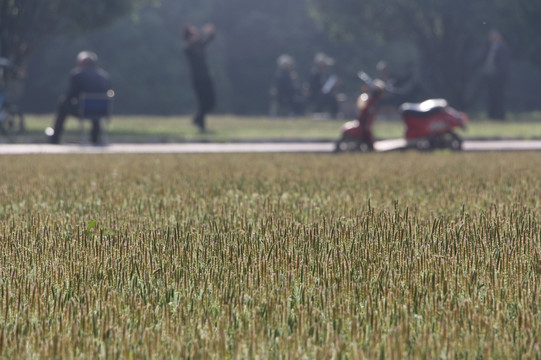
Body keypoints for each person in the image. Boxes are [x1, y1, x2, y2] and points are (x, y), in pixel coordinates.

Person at [48, 51, 111, 144]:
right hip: (101, 110)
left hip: (84, 110)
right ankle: (95, 137)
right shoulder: (104, 76)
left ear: (81, 63)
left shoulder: (77, 75)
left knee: (63, 104)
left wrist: (68, 101)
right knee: (94, 107)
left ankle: (55, 136)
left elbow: (71, 95)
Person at [183, 23, 216, 132]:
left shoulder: (199, 45)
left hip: (206, 77)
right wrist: (197, 40)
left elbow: (208, 39)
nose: (196, 35)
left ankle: (197, 119)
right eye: (193, 34)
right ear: (188, 37)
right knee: (203, 103)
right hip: (198, 80)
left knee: (211, 103)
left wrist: (210, 33)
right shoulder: (188, 50)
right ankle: (201, 126)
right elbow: (196, 48)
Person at [482, 29, 510, 120]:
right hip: (490, 76)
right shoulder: (488, 46)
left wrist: (499, 73)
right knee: (491, 96)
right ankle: (492, 115)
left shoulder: (503, 47)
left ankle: (500, 115)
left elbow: (504, 64)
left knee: (499, 97)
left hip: (499, 77)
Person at [357, 79, 386, 151]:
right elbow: (368, 113)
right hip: (365, 123)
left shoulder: (372, 100)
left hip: (364, 122)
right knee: (368, 133)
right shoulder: (372, 101)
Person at [308, 52, 339, 118]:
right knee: (332, 99)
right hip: (317, 95)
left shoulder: (322, 74)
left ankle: (334, 115)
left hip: (321, 95)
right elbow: (318, 88)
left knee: (334, 97)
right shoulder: (315, 74)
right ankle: (333, 115)